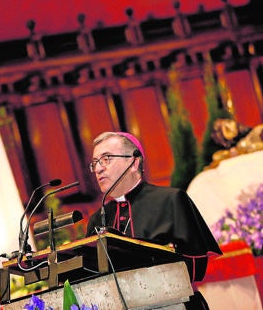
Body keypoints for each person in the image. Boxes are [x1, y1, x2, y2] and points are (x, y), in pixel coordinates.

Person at [84, 131, 222, 309]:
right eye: (95, 163)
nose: (98, 169)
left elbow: (196, 264)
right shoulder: (96, 220)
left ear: (133, 163)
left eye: (106, 159)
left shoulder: (171, 200)